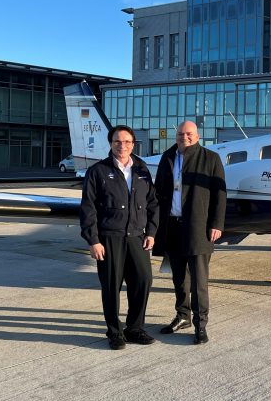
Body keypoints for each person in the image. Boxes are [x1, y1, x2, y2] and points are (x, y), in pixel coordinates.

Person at [80, 125, 159, 350]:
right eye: (117, 141)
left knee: (143, 281)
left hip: (137, 237)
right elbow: (88, 208)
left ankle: (134, 328)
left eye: (126, 142)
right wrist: (93, 240)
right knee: (111, 286)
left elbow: (153, 203)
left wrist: (151, 232)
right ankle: (114, 332)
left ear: (133, 144)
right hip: (109, 238)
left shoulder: (142, 170)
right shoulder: (97, 171)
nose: (122, 146)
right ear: (111, 143)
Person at [154, 121, 226, 344]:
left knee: (199, 280)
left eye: (189, 134)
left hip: (198, 227)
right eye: (180, 134)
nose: (184, 137)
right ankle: (182, 315)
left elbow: (219, 195)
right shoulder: (167, 158)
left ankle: (200, 324)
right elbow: (158, 193)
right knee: (179, 277)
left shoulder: (210, 158)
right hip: (172, 226)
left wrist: (217, 223)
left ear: (197, 136)